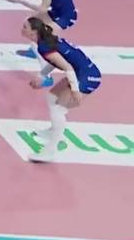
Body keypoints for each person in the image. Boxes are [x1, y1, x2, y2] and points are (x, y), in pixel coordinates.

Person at [21, 17, 101, 162]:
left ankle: (50, 151)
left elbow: (67, 67)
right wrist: (41, 75)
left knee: (58, 109)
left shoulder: (44, 46)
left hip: (87, 76)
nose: (22, 29)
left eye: (25, 27)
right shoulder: (46, 42)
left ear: (34, 32)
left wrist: (75, 90)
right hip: (78, 73)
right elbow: (55, 61)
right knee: (51, 97)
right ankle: (53, 130)